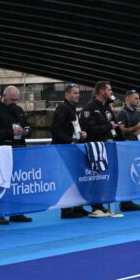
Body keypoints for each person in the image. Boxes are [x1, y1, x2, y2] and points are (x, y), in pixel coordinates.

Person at [80, 81, 140, 215]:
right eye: (109, 90)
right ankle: (96, 205)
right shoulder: (90, 108)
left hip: (111, 147)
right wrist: (109, 126)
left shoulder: (107, 108)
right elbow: (88, 130)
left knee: (110, 177)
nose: (111, 92)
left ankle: (111, 202)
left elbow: (116, 129)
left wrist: (121, 142)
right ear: (101, 91)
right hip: (97, 149)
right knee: (97, 178)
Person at [0, 86, 33, 224]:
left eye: (17, 100)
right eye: (12, 99)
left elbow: (28, 127)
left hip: (19, 149)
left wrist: (26, 131)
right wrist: (11, 132)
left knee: (18, 182)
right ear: (4, 96)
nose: (15, 102)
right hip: (1, 152)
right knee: (0, 182)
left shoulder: (19, 110)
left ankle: (17, 212)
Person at [51, 84, 90, 219]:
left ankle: (78, 206)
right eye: (74, 93)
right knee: (67, 179)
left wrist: (80, 134)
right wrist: (69, 141)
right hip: (64, 149)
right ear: (67, 94)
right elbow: (55, 129)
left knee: (76, 178)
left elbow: (70, 128)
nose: (78, 95)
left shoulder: (72, 109)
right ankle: (66, 211)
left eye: (78, 93)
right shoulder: (63, 108)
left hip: (71, 148)